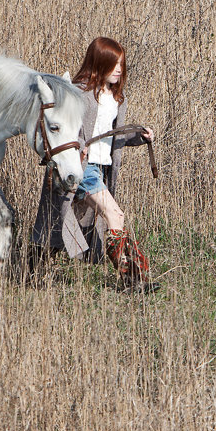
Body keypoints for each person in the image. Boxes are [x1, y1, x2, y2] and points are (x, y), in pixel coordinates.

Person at [31, 37, 158, 291]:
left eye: (122, 64)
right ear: (99, 63)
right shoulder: (79, 92)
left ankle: (31, 272)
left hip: (101, 168)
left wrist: (139, 137)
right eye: (114, 64)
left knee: (60, 228)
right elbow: (65, 127)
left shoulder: (116, 97)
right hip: (81, 167)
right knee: (115, 214)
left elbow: (113, 135)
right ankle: (132, 279)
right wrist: (79, 144)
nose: (119, 69)